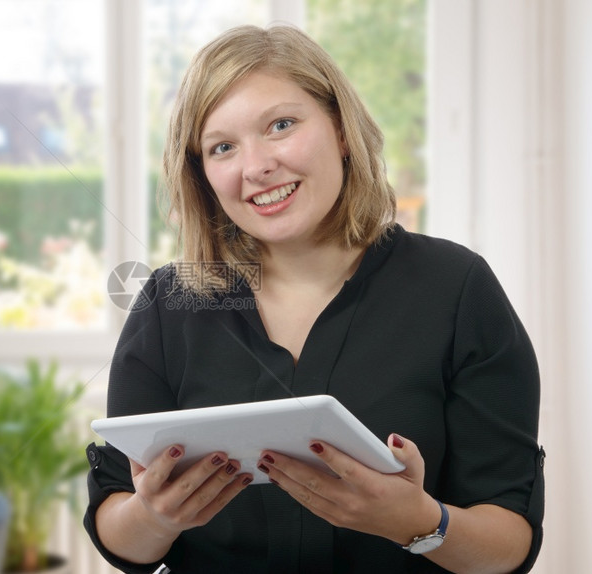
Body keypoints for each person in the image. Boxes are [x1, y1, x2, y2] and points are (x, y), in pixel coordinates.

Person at [84, 24, 544, 574]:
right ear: (203, 175)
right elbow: (118, 528)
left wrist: (419, 521)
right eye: (222, 146)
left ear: (342, 131)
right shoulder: (168, 303)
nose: (255, 167)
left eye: (281, 125)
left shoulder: (457, 287)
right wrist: (155, 517)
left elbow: (510, 541)